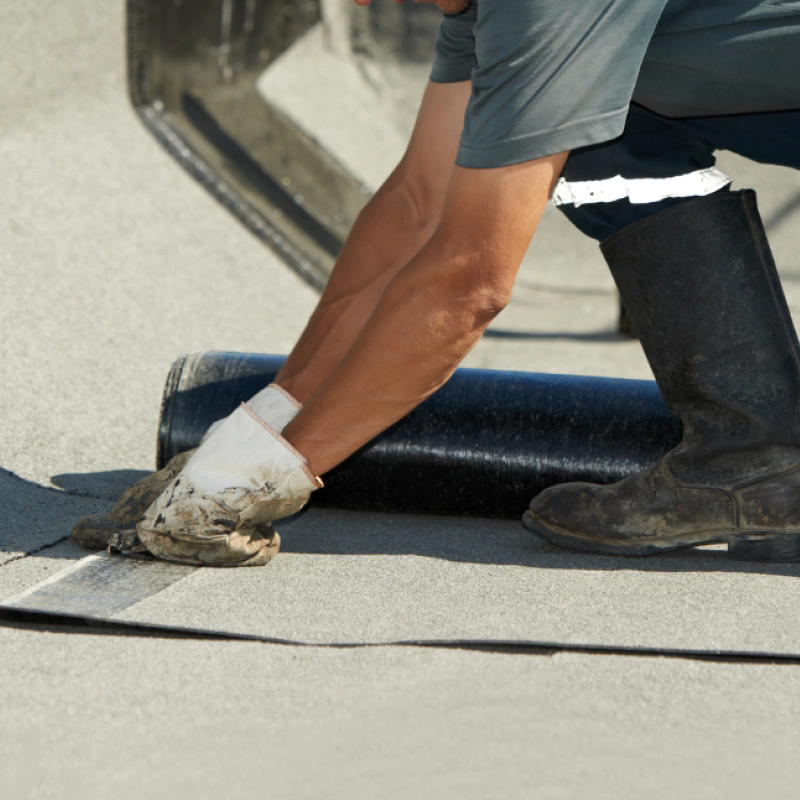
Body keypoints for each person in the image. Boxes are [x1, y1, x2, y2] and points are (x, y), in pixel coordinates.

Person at [94, 0, 800, 566]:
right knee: (604, 130)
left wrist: (260, 481)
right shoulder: (485, 13)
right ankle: (753, 460)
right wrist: (261, 427)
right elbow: (417, 208)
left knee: (585, 130)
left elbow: (467, 281)